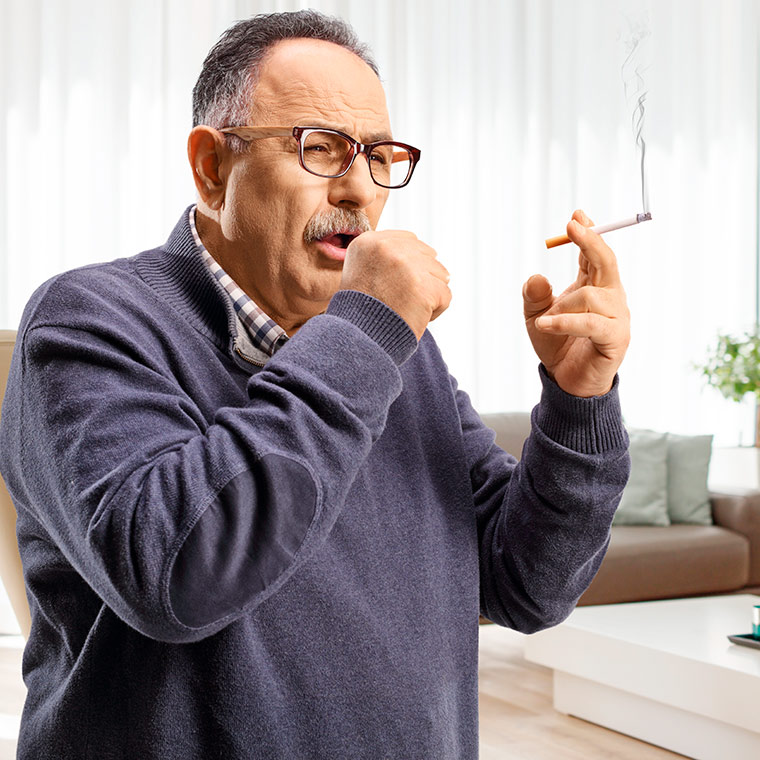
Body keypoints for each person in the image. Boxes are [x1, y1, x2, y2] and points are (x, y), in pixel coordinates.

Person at [0, 10, 630, 760]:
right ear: (211, 168)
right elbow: (176, 576)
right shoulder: (89, 320)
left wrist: (578, 401)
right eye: (321, 148)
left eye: (380, 156)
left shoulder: (398, 353)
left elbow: (527, 585)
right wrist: (366, 335)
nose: (361, 190)